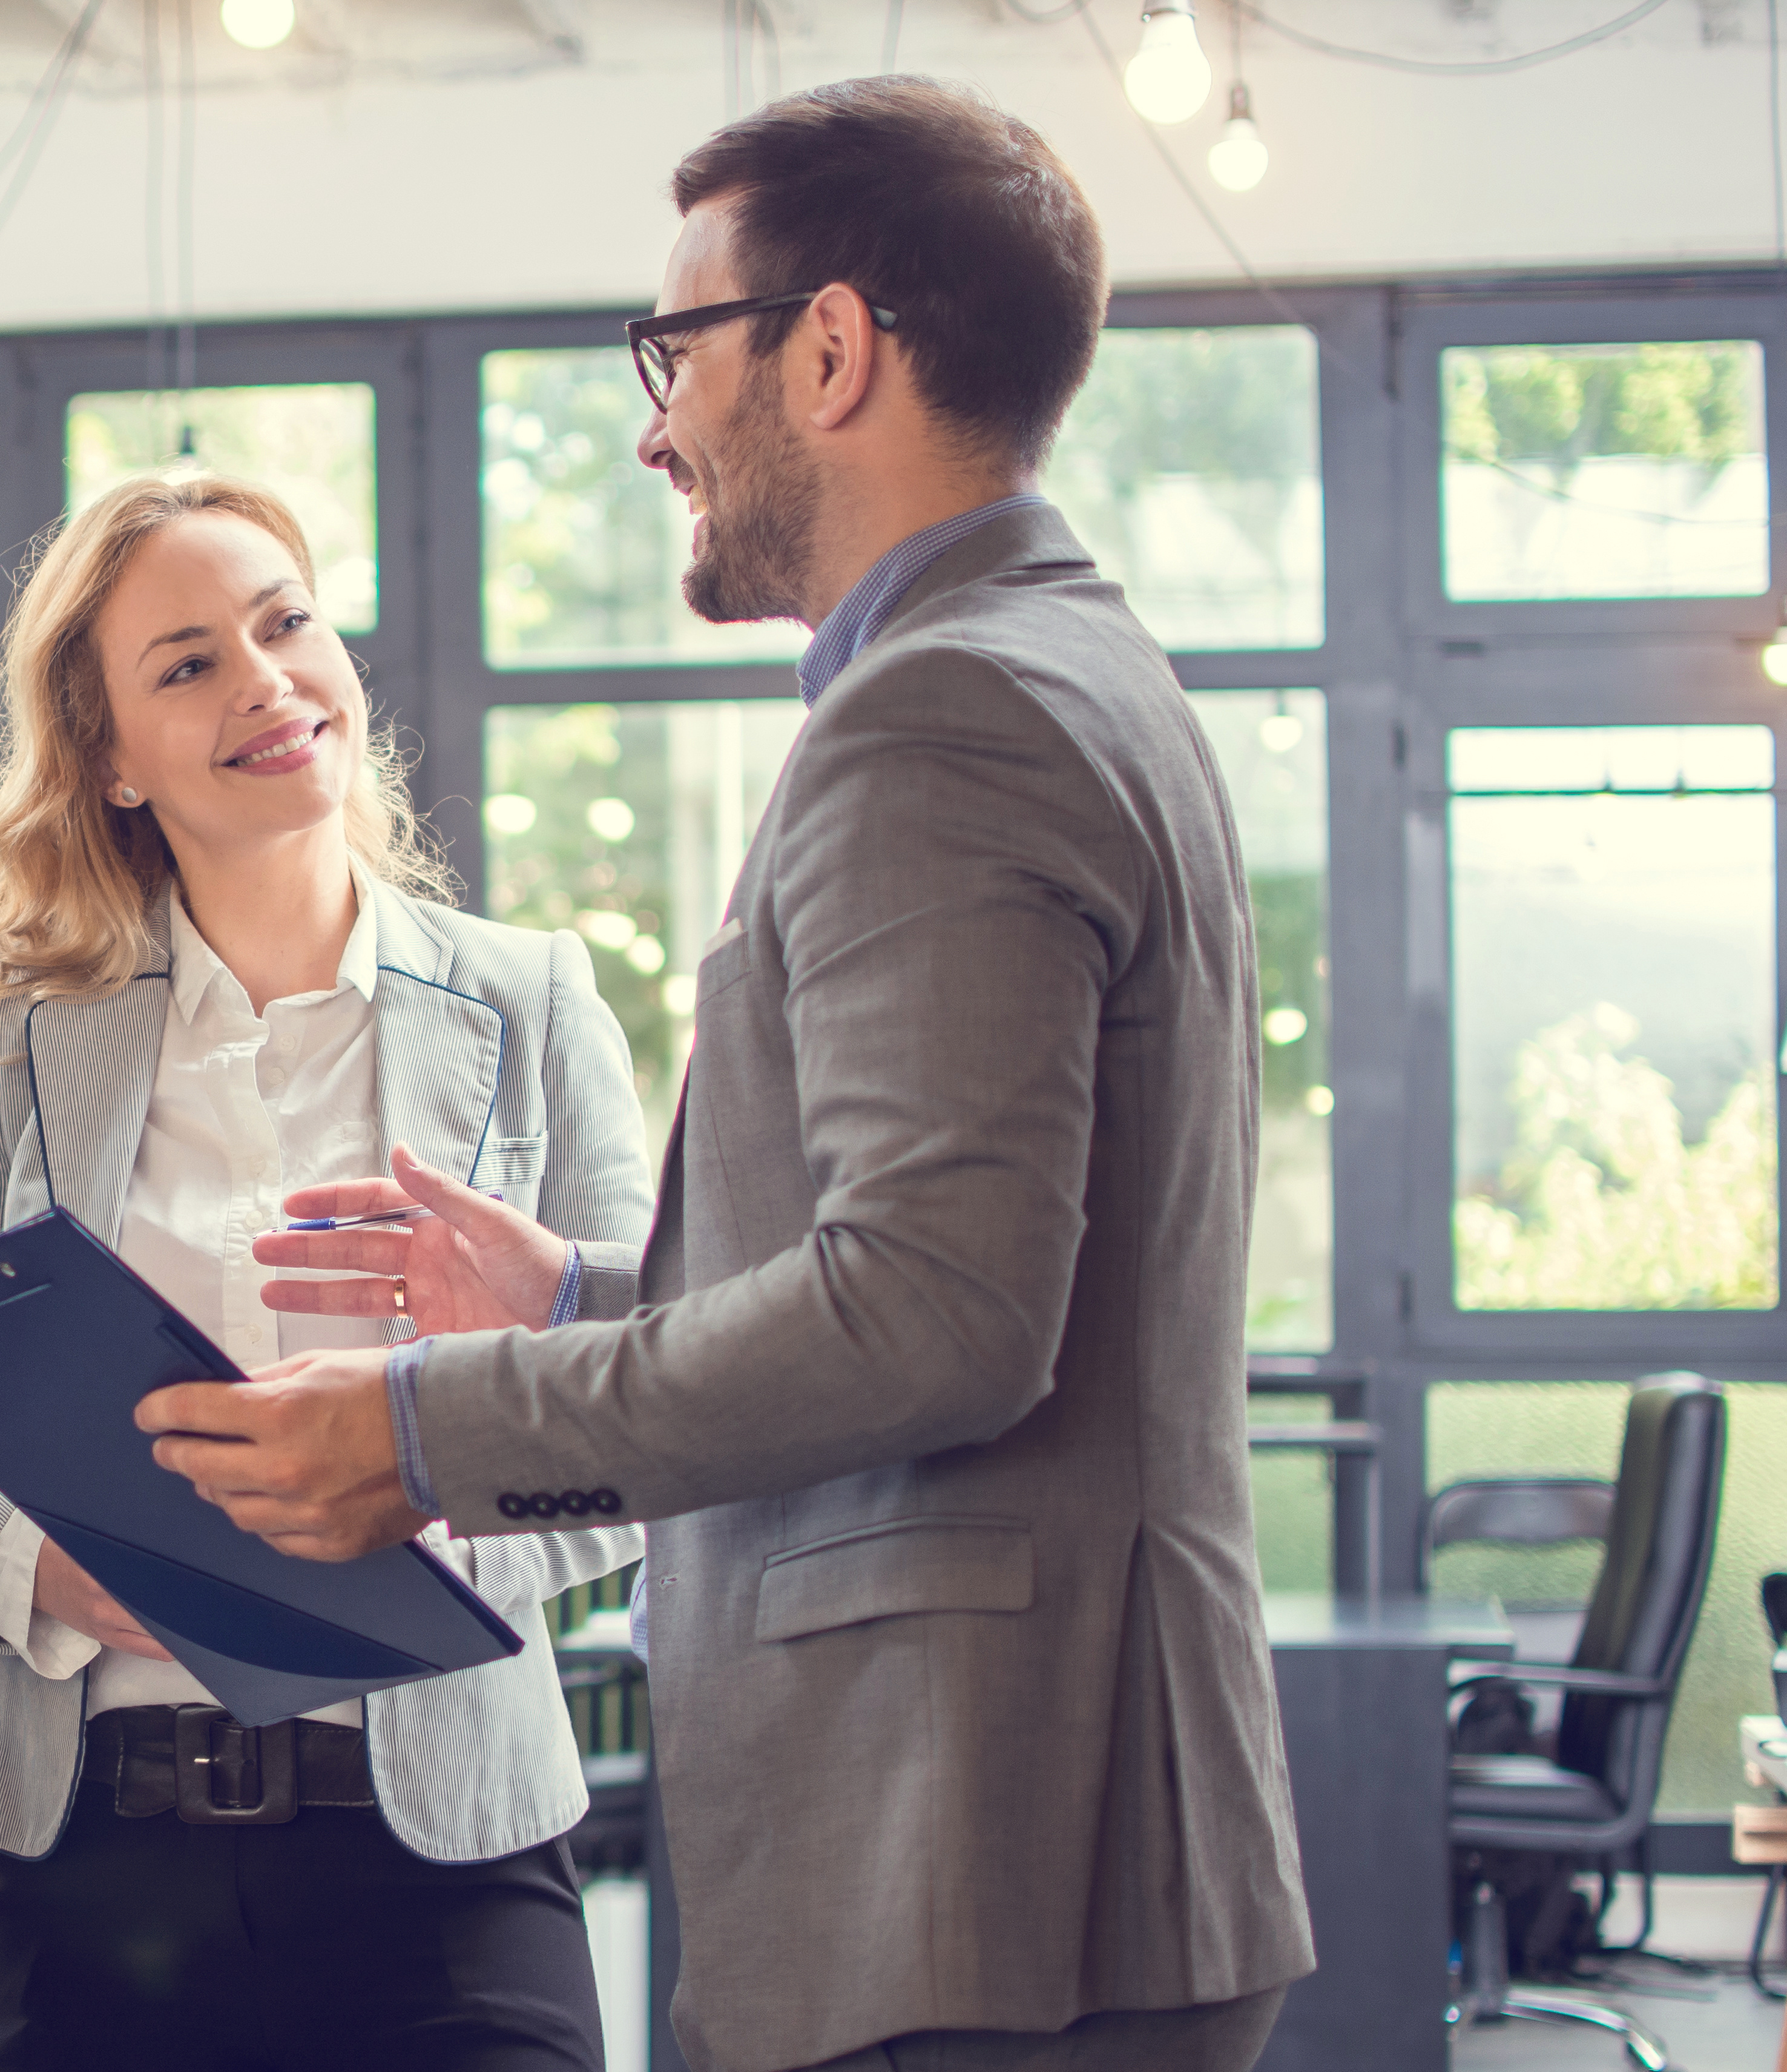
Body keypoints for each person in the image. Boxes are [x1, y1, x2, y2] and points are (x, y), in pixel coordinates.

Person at [131, 81, 1317, 2072]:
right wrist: (586, 1299)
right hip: (1050, 1843)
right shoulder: (1067, 662)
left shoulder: (939, 713)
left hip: (976, 1859)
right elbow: (975, 1266)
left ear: (831, 350)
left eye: (672, 349)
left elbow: (938, 1317)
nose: (652, 420)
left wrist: (421, 1429)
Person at [0, 469, 652, 2072]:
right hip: (77, 1864)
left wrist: (416, 1504)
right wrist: (36, 1569)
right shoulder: (23, 1028)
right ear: (114, 762)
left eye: (286, 624)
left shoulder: (537, 1004)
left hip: (447, 1858)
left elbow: (654, 1409)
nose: (266, 679)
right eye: (188, 661)